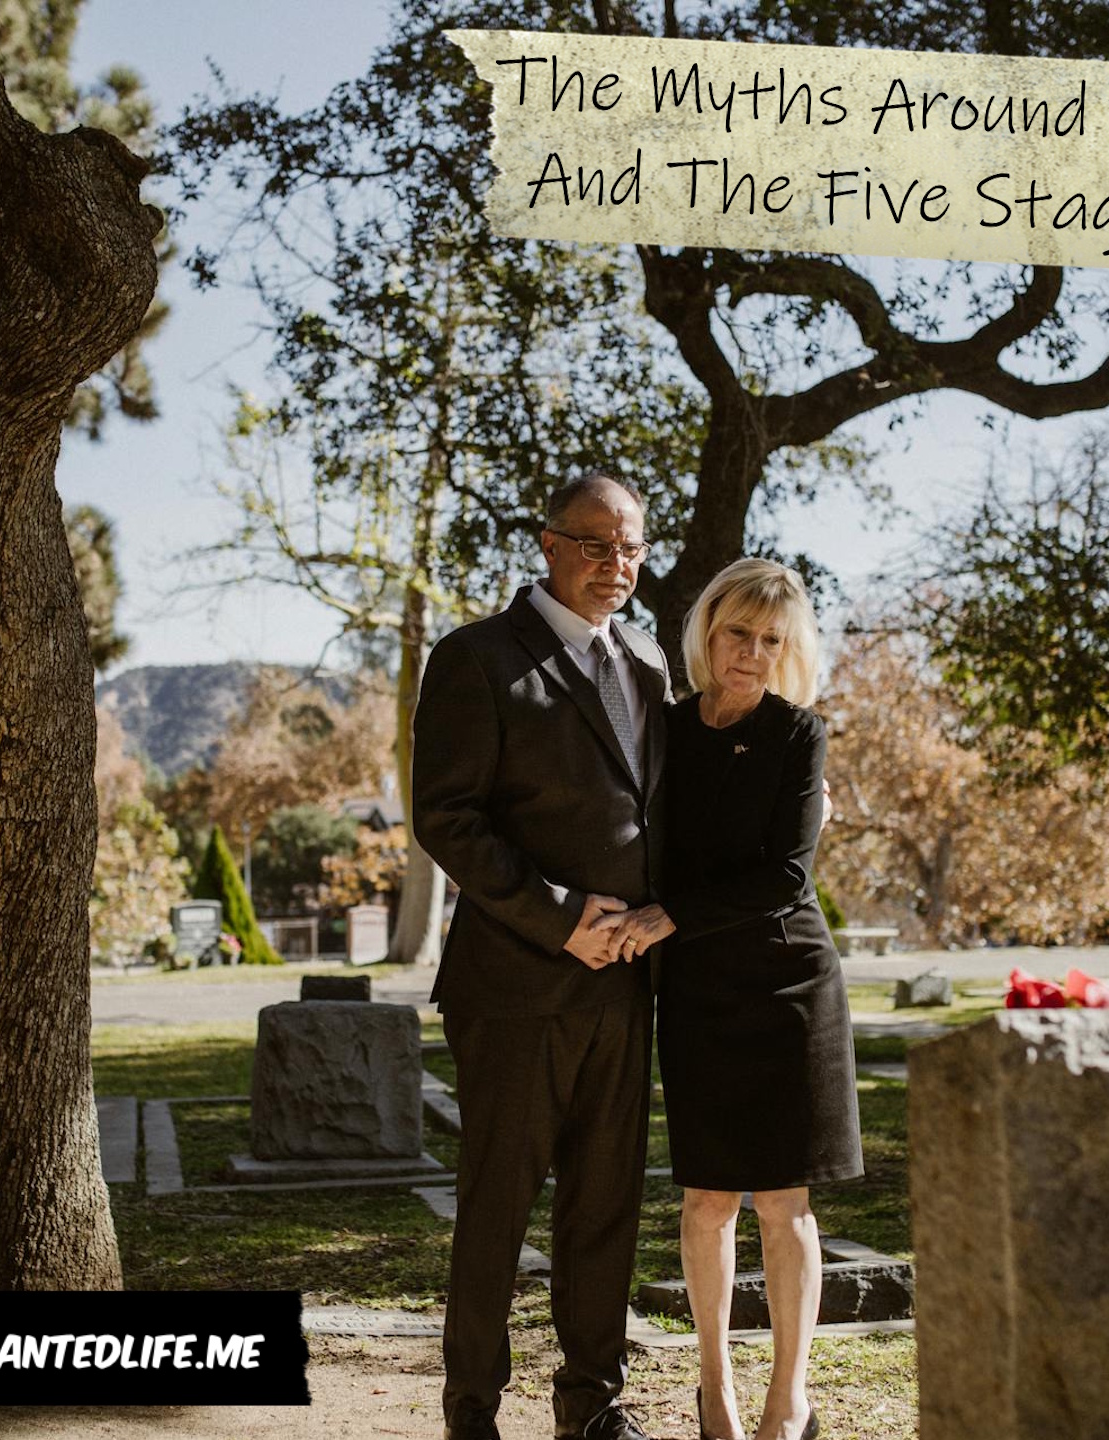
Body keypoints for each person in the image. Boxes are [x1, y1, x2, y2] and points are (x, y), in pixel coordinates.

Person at [410, 473, 667, 1440]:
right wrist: (562, 917)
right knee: (497, 1208)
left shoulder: (646, 663)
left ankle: (592, 1406)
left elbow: (660, 818)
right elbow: (447, 818)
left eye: (632, 545)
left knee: (605, 1206)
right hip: (515, 982)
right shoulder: (475, 657)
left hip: (623, 986)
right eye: (597, 543)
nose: (617, 563)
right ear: (549, 545)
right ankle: (471, 1412)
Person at [601, 558, 861, 1440]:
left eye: (771, 639)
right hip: (700, 990)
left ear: (790, 649)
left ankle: (790, 1401)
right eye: (737, 633)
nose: (751, 652)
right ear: (708, 633)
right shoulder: (664, 730)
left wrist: (667, 913)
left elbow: (787, 876)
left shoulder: (800, 734)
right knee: (708, 1201)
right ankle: (717, 1394)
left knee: (786, 1203)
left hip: (790, 984)